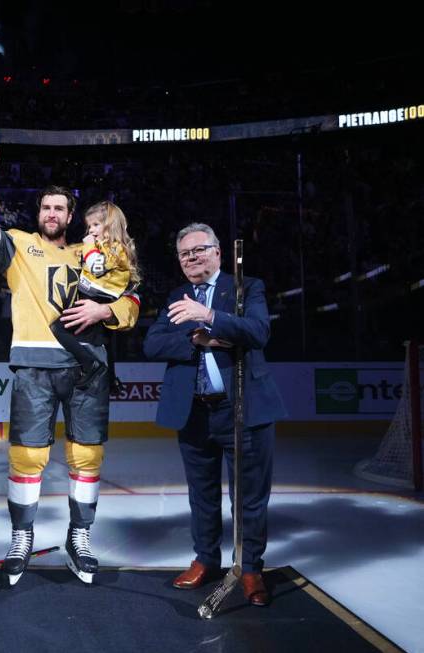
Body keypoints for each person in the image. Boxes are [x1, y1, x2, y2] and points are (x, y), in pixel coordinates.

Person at [0, 138, 139, 585]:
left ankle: (80, 537)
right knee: (26, 456)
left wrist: (104, 311)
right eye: (46, 209)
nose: (52, 215)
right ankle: (23, 537)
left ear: (70, 216)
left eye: (60, 208)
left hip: (87, 369)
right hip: (35, 368)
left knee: (86, 456)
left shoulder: (93, 255)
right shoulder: (18, 246)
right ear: (38, 214)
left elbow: (133, 301)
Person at [142, 222, 286, 607]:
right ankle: (206, 559)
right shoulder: (176, 295)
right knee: (201, 495)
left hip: (243, 411)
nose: (191, 259)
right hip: (194, 412)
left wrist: (207, 314)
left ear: (218, 252)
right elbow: (153, 343)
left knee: (250, 497)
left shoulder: (246, 288)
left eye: (199, 250)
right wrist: (194, 338)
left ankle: (250, 567)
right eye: (185, 254)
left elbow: (257, 331)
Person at [49, 201, 141, 388]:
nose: (90, 230)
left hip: (100, 298)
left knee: (58, 328)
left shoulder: (117, 248)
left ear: (110, 225)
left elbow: (96, 267)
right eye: (89, 226)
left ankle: (90, 365)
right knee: (101, 339)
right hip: (94, 295)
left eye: (96, 225)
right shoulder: (104, 247)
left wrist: (89, 247)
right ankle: (109, 377)